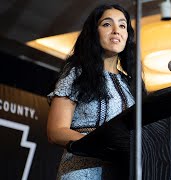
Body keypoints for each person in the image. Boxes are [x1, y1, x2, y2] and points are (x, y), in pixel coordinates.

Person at [47, 4, 146, 179]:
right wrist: (102, 144)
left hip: (122, 172)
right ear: (94, 32)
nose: (116, 30)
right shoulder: (77, 73)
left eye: (122, 25)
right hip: (81, 171)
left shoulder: (132, 85)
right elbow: (56, 131)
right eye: (107, 24)